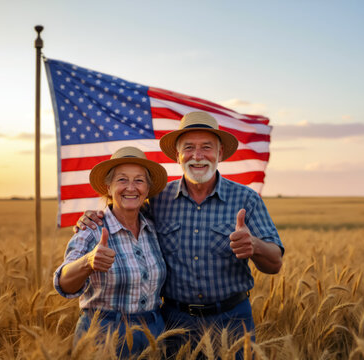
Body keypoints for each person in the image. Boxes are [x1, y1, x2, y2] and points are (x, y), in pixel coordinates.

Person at [76, 112, 284, 357]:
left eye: (206, 147)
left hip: (232, 319)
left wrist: (255, 246)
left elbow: (275, 263)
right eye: (189, 148)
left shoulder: (246, 198)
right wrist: (90, 218)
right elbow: (123, 211)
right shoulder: (159, 199)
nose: (197, 156)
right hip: (175, 323)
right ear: (177, 155)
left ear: (219, 154)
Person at [54, 146, 168, 357]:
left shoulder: (154, 229)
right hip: (103, 334)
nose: (131, 188)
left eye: (139, 180)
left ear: (147, 188)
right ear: (108, 187)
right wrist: (88, 262)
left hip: (154, 333)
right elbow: (63, 283)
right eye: (122, 180)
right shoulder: (92, 229)